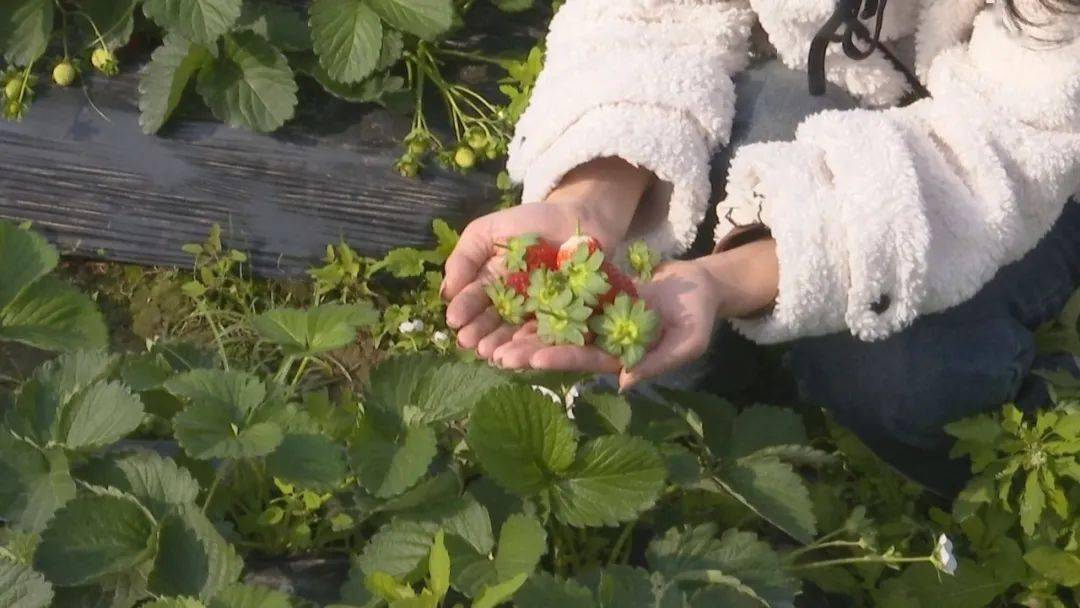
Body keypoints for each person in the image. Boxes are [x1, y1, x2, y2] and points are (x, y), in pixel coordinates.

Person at [441, 0, 1080, 496]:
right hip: (854, 83)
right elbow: (650, 14)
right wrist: (591, 196)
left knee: (901, 380)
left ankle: (1040, 439)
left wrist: (734, 276)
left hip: (1033, 153)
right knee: (658, 375)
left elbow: (1005, 142)